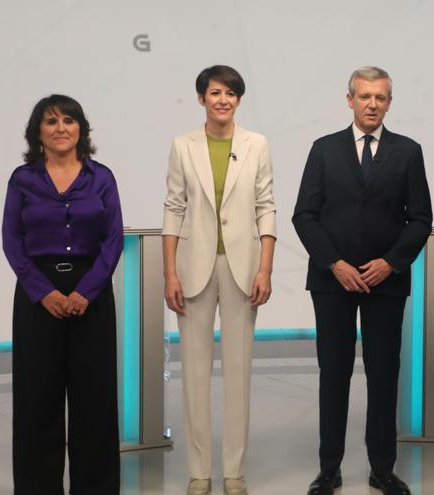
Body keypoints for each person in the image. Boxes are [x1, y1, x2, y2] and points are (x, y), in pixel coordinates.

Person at [292, 66, 432, 495]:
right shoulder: (324, 149)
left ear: (390, 102)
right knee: (333, 373)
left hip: (384, 282)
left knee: (384, 373)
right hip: (332, 280)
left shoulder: (408, 152)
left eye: (381, 97)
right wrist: (334, 262)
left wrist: (391, 263)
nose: (373, 104)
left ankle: (382, 469)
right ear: (349, 99)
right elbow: (304, 215)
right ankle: (329, 469)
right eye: (365, 96)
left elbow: (421, 218)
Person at [162, 65, 277, 495]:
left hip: (243, 268)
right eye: (215, 92)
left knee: (238, 370)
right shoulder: (182, 146)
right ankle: (198, 471)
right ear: (201, 99)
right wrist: (169, 271)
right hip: (192, 268)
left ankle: (234, 471)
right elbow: (173, 207)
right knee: (193, 373)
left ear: (239, 100)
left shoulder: (257, 145)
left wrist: (265, 267)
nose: (223, 100)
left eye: (230, 93)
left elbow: (266, 206)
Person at [2, 94, 123, 494]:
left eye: (69, 121)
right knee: (38, 401)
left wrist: (86, 292)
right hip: (39, 297)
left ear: (81, 130)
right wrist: (44, 292)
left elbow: (113, 240)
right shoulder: (23, 180)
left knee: (94, 402)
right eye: (51, 121)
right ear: (38, 132)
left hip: (92, 294)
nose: (60, 128)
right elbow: (12, 242)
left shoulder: (101, 178)